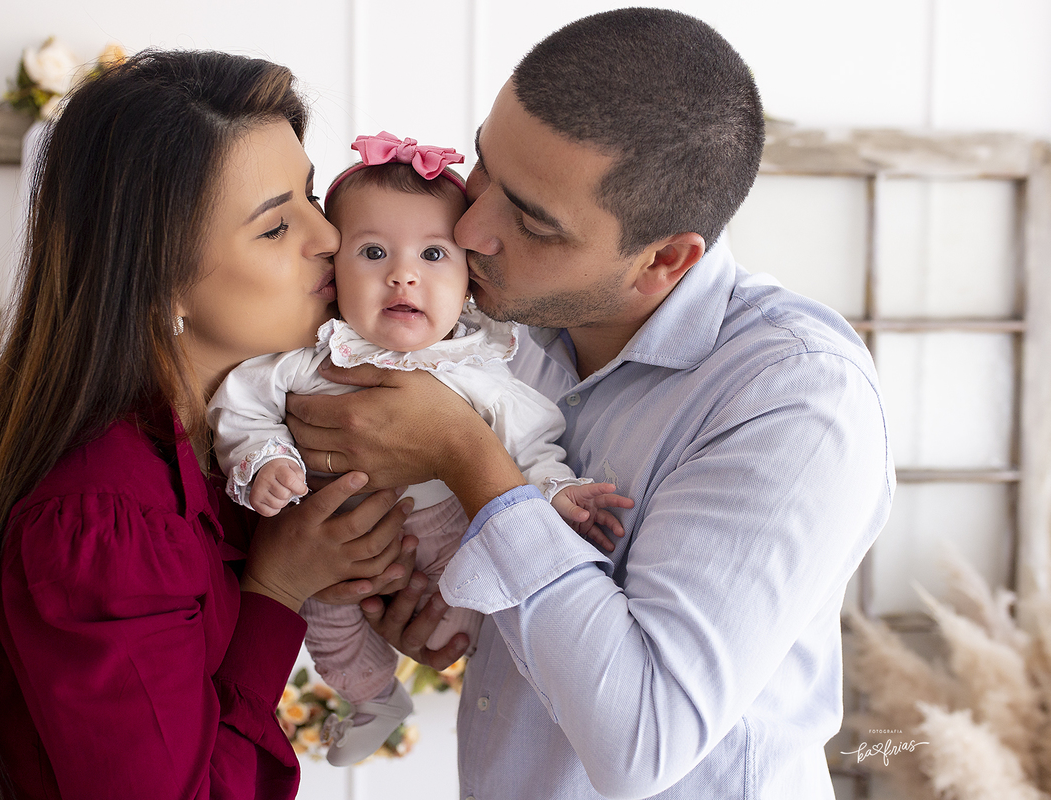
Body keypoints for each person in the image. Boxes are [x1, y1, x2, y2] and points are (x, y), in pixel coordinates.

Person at [284, 9, 895, 800]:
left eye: (530, 220)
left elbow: (640, 743)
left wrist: (467, 458)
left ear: (663, 261)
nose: (470, 228)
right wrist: (459, 622)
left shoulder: (795, 398)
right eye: (482, 168)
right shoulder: (503, 329)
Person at [0, 51, 414, 800]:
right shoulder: (105, 519)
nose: (329, 236)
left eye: (313, 196)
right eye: (277, 226)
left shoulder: (237, 453)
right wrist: (277, 591)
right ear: (160, 276)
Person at [208, 131, 632, 766]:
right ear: (332, 271)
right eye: (374, 252)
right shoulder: (313, 359)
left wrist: (558, 491)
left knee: (454, 621)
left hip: (458, 536)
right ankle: (375, 699)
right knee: (330, 621)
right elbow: (243, 403)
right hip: (339, 545)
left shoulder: (480, 366)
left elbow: (533, 443)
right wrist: (266, 458)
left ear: (468, 281)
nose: (403, 274)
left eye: (434, 254)